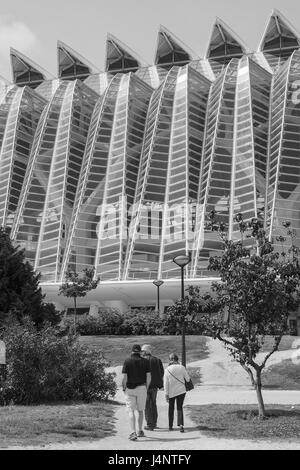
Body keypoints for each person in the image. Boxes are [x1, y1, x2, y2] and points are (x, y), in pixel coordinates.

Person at [122, 344, 151, 441]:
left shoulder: (127, 361)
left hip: (130, 388)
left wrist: (124, 387)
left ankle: (133, 432)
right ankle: (140, 430)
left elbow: (125, 377)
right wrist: (146, 387)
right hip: (142, 387)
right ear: (140, 351)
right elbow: (149, 377)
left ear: (132, 351)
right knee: (140, 410)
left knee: (130, 410)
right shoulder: (145, 361)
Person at [163, 353, 191, 433]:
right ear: (177, 359)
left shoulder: (167, 369)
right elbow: (188, 379)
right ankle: (181, 425)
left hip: (171, 392)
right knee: (179, 407)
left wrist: (166, 394)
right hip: (181, 391)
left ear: (170, 360)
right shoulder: (182, 367)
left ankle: (170, 426)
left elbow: (166, 383)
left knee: (171, 408)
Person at [141, 344, 164, 431]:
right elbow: (161, 372)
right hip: (154, 386)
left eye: (143, 351)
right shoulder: (157, 360)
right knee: (153, 404)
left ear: (145, 351)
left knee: (147, 405)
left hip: (145, 386)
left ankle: (150, 424)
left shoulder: (142, 360)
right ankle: (154, 423)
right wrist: (159, 384)